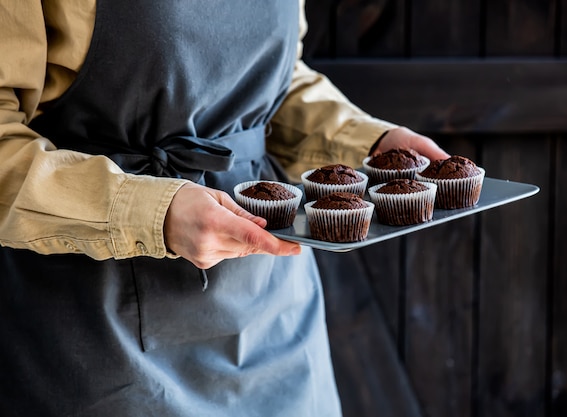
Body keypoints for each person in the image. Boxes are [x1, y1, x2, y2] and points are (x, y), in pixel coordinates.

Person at [0, 0, 449, 416]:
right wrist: (153, 210)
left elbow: (272, 85)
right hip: (95, 328)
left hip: (274, 316)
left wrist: (368, 145)